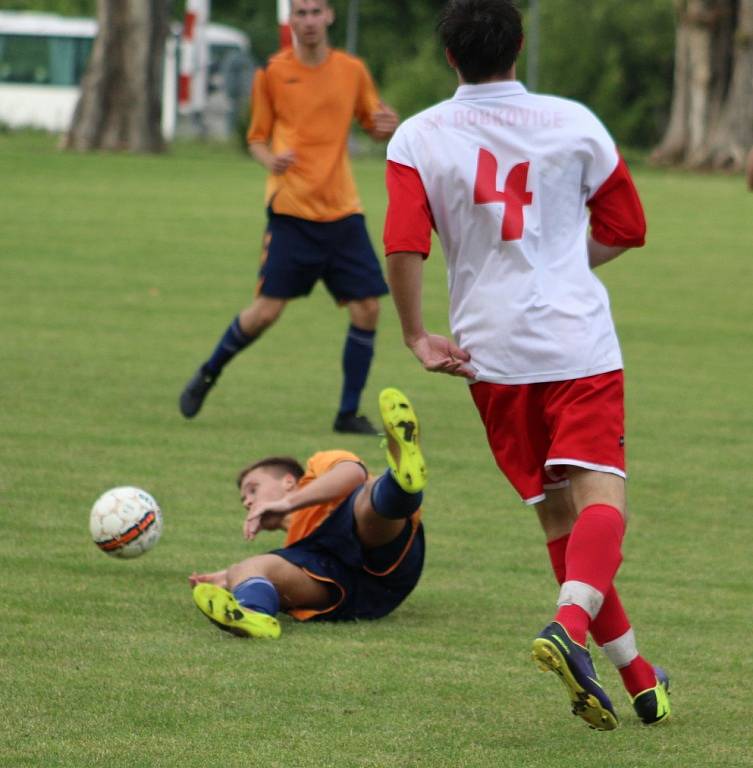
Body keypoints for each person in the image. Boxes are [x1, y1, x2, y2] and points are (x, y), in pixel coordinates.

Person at [383, 0, 670, 731]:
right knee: (601, 503)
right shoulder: (572, 120)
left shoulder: (417, 136)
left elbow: (403, 241)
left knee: (556, 521)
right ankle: (568, 629)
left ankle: (639, 677)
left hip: (489, 354)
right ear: (517, 46)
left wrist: (418, 335)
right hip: (575, 342)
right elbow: (627, 228)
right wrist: (564, 264)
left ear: (450, 57)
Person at [179, 0, 399, 434]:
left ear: (330, 16)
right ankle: (209, 372)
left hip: (342, 212)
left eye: (316, 11)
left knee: (367, 309)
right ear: (291, 21)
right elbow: (256, 139)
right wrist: (272, 159)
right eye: (300, 13)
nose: (309, 20)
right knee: (265, 313)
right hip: (292, 213)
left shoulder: (352, 71)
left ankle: (347, 413)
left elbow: (372, 123)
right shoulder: (273, 74)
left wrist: (386, 124)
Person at [190, 387, 427, 637]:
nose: (248, 502)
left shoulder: (317, 469)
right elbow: (274, 567)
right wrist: (231, 578)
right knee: (248, 566)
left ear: (289, 482)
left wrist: (288, 503)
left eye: (253, 489)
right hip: (359, 595)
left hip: (384, 544)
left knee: (366, 494)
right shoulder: (296, 547)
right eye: (244, 499)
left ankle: (401, 479)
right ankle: (253, 614)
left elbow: (353, 474)